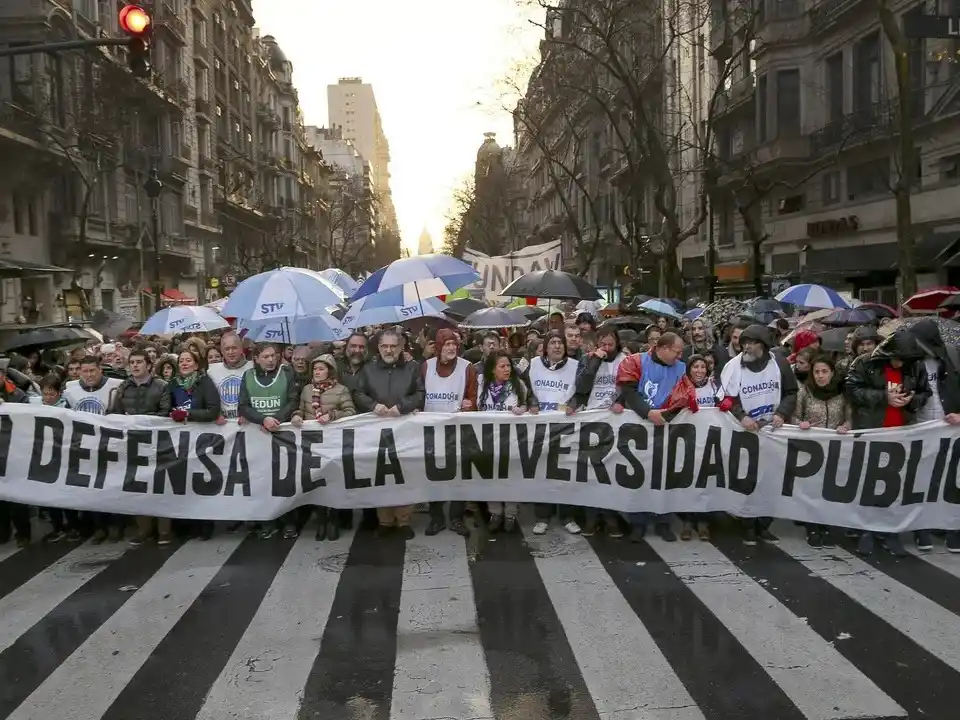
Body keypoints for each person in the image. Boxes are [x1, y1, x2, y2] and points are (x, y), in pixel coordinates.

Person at [845, 329, 930, 556]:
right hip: (872, 430)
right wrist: (884, 396)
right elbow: (852, 389)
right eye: (898, 358)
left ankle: (890, 532)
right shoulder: (865, 363)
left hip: (901, 433)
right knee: (868, 483)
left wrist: (912, 400)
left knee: (895, 486)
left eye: (906, 360)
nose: (901, 363)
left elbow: (925, 392)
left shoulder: (915, 365)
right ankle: (866, 531)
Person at [718, 324, 798, 545]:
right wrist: (741, 415)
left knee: (771, 481)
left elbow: (792, 392)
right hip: (746, 432)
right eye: (744, 343)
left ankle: (764, 525)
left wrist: (782, 413)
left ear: (762, 346)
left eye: (751, 344)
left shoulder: (779, 363)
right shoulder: (733, 366)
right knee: (748, 480)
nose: (746, 348)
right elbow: (722, 398)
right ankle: (748, 525)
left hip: (773, 431)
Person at [617, 332, 695, 542]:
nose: (679, 357)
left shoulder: (680, 368)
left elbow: (684, 396)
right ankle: (637, 522)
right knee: (638, 476)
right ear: (664, 348)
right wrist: (648, 412)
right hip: (639, 428)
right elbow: (629, 392)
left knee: (665, 477)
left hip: (666, 428)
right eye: (677, 352)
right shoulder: (635, 361)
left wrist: (669, 414)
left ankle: (663, 521)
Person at [354, 328, 424, 539]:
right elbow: (357, 393)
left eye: (393, 346)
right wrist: (373, 405)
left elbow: (420, 394)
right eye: (385, 346)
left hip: (405, 431)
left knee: (406, 474)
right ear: (379, 347)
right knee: (381, 475)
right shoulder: (368, 369)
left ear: (401, 347)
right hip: (377, 431)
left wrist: (402, 407)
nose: (389, 350)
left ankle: (404, 521)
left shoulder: (413, 368)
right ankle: (384, 520)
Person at [238, 343, 301, 539]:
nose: (271, 359)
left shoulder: (287, 372)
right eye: (265, 356)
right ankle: (268, 520)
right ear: (256, 359)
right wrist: (262, 419)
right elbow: (243, 405)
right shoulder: (248, 376)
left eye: (273, 355)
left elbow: (293, 400)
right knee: (262, 479)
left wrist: (276, 419)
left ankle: (289, 520)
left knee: (285, 478)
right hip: (258, 435)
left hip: (282, 433)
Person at [292, 354, 357, 541]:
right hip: (312, 444)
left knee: (333, 480)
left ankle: (334, 520)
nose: (317, 372)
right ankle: (321, 520)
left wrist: (332, 415)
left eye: (321, 369)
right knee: (317, 482)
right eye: (315, 369)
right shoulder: (306, 390)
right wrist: (297, 416)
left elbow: (351, 411)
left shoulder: (341, 390)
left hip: (333, 443)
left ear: (330, 370)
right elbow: (301, 409)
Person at [910, 319, 960, 552]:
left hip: (948, 430)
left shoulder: (952, 360)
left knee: (951, 481)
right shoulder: (912, 364)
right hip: (920, 429)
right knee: (921, 481)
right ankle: (923, 530)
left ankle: (952, 529)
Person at [422, 328, 477, 536]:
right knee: (433, 474)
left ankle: (456, 517)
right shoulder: (426, 367)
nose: (452, 348)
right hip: (431, 430)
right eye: (447, 344)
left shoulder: (467, 368)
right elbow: (419, 393)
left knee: (459, 474)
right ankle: (436, 517)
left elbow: (473, 397)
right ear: (438, 347)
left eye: (454, 344)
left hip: (458, 431)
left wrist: (469, 405)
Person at [573, 325, 627, 537]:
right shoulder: (588, 359)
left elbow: (632, 386)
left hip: (615, 421)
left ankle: (611, 517)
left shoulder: (625, 360)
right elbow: (582, 387)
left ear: (617, 344)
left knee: (612, 470)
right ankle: (591, 516)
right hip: (592, 420)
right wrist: (595, 360)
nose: (606, 348)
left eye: (610, 344)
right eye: (602, 344)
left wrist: (621, 401)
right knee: (592, 471)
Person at [527, 330, 582, 536]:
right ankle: (542, 517)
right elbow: (525, 388)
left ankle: (567, 516)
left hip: (565, 425)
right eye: (553, 343)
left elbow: (582, 391)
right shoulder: (532, 364)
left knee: (566, 472)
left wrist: (574, 403)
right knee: (542, 472)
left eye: (561, 342)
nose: (557, 346)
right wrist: (531, 402)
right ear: (546, 347)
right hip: (540, 426)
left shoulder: (576, 366)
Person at [793, 355, 851, 548]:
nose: (820, 376)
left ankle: (827, 526)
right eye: (816, 371)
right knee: (812, 488)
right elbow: (794, 416)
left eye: (824, 371)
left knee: (830, 489)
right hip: (811, 450)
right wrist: (800, 424)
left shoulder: (842, 394)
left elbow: (851, 418)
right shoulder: (805, 391)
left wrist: (846, 425)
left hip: (835, 448)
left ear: (832, 372)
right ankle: (812, 527)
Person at [166, 347, 223, 541]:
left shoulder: (204, 382)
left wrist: (189, 414)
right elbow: (165, 408)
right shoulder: (172, 384)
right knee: (183, 482)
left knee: (201, 482)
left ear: (196, 364)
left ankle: (205, 524)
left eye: (188, 360)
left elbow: (213, 410)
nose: (184, 363)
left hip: (201, 440)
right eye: (181, 360)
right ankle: (188, 525)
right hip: (179, 441)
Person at [0, 359, 30, 547]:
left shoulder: (18, 395)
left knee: (17, 496)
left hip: (13, 451)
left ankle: (23, 532)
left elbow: (27, 419)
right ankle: (3, 532)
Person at [207, 331, 253, 420]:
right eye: (227, 349)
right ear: (222, 351)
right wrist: (216, 415)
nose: (230, 352)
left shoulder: (253, 367)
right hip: (222, 426)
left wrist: (249, 414)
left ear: (241, 349)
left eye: (234, 348)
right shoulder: (211, 371)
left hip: (248, 425)